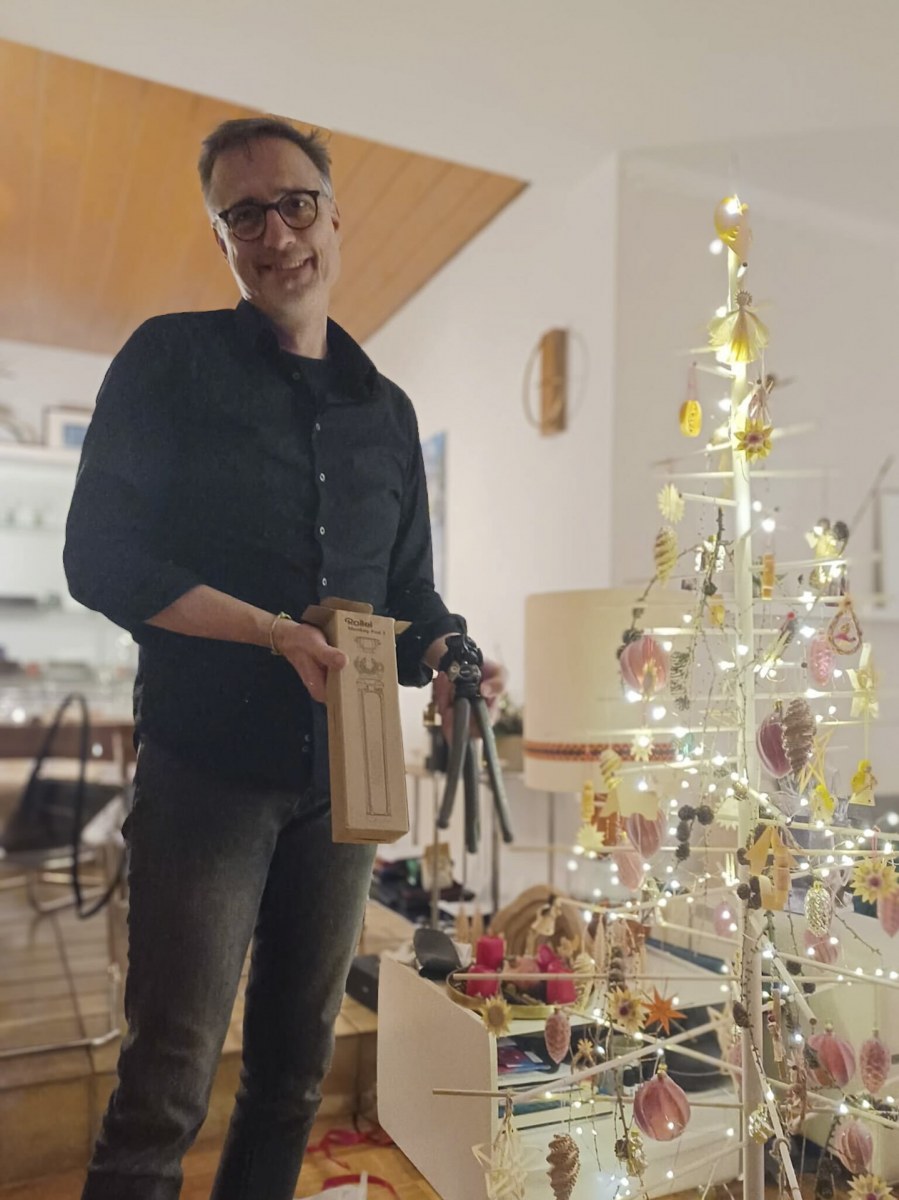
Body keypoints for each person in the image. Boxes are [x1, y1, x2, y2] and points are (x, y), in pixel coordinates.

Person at [64, 115, 504, 1200]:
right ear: (221, 237)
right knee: (166, 1085)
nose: (276, 234)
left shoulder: (386, 414)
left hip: (344, 784)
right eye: (244, 215)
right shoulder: (168, 361)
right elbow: (100, 558)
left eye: (295, 204)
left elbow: (406, 597)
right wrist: (267, 630)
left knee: (294, 1077)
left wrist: (450, 649)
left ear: (334, 216)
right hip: (204, 773)